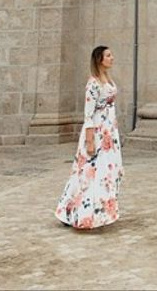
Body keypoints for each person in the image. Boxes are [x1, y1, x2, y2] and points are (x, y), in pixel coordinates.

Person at [55, 45, 123, 229]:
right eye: (108, 55)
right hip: (98, 133)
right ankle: (74, 212)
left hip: (109, 133)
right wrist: (90, 141)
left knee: (106, 174)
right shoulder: (93, 84)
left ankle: (100, 211)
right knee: (89, 173)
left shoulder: (107, 80)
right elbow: (88, 115)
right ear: (100, 59)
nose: (112, 58)